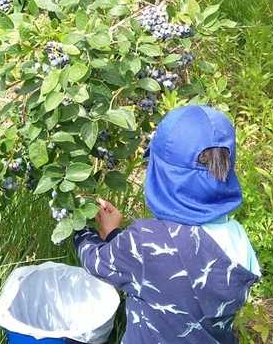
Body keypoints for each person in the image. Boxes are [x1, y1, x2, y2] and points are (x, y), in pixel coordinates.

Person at [73, 105, 261, 343]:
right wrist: (114, 235)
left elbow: (96, 261)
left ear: (160, 176)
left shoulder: (144, 241)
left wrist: (78, 225)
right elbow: (162, 266)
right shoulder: (237, 237)